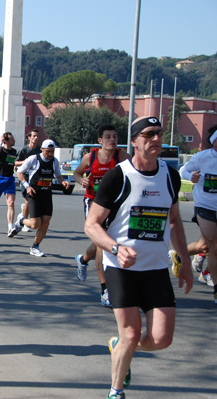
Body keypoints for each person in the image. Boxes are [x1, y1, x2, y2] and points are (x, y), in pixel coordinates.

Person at [84, 116, 193, 399]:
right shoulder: (118, 176)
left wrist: (186, 262)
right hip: (121, 267)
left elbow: (174, 222)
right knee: (132, 333)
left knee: (162, 339)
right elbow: (91, 224)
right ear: (134, 141)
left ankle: (119, 345)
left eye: (159, 134)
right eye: (149, 134)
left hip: (155, 268)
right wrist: (116, 248)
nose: (156, 139)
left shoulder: (170, 175)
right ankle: (116, 390)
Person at [73, 125, 131, 306]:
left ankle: (82, 259)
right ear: (100, 141)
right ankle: (105, 289)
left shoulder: (123, 157)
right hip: (94, 202)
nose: (112, 140)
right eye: (108, 137)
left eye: (115, 136)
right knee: (101, 243)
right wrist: (81, 180)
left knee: (103, 241)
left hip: (115, 205)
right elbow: (76, 173)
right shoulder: (89, 157)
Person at [175, 123, 217, 304]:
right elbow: (183, 170)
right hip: (205, 206)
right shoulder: (202, 157)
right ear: (214, 140)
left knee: (204, 247)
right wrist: (192, 177)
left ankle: (177, 254)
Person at [13, 139, 69, 256]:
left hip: (47, 195)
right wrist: (27, 186)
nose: (50, 154)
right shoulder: (34, 159)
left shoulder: (54, 161)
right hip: (34, 194)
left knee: (45, 223)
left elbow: (58, 175)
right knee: (35, 224)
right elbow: (19, 172)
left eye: (52, 152)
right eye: (47, 151)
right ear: (42, 149)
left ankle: (35, 246)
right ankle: (21, 221)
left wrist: (62, 182)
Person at [15, 129, 41, 228]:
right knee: (28, 200)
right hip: (24, 178)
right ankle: (25, 223)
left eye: (37, 136)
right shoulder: (24, 150)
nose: (36, 138)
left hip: (35, 179)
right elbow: (15, 163)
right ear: (29, 137)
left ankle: (25, 212)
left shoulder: (39, 150)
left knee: (32, 201)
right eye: (34, 136)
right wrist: (25, 162)